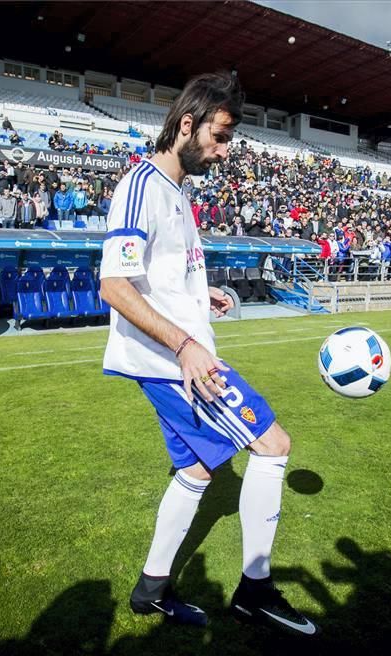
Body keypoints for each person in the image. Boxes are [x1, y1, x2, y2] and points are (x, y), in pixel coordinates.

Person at [98, 72, 318, 635]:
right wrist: (187, 343)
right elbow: (115, 286)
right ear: (187, 125)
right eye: (219, 138)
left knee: (195, 471)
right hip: (172, 364)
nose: (223, 153)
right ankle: (255, 591)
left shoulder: (176, 190)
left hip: (172, 356)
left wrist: (203, 294)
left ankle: (150, 590)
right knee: (272, 445)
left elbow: (158, 277)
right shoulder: (141, 186)